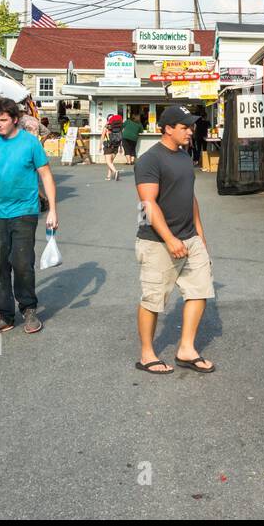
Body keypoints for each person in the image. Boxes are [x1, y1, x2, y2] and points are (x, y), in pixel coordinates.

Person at [133, 105, 216, 375]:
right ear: (168, 129)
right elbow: (148, 203)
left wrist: (200, 236)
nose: (190, 131)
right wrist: (169, 239)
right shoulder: (149, 160)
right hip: (157, 242)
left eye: (190, 126)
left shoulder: (183, 156)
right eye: (184, 127)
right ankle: (147, 354)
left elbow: (189, 197)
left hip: (189, 238)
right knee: (153, 299)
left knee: (199, 290)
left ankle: (186, 349)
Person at [0, 97, 57, 335]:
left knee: (22, 262)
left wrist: (53, 209)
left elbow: (45, 175)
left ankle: (28, 309)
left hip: (25, 211)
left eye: (3, 120)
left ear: (15, 120)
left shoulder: (30, 143)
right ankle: (4, 314)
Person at [103, 112, 124, 181]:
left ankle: (115, 172)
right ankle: (109, 176)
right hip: (116, 146)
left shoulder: (107, 127)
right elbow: (121, 137)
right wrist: (121, 147)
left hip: (108, 145)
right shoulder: (120, 127)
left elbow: (102, 136)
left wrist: (100, 145)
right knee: (111, 162)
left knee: (108, 161)